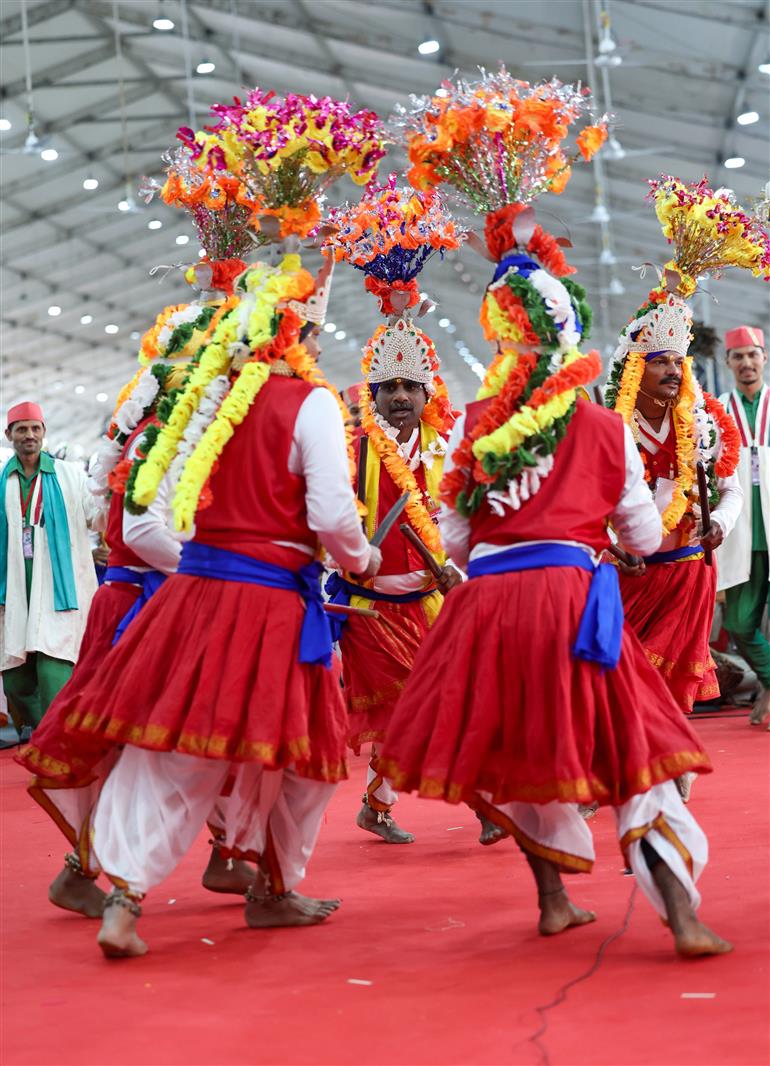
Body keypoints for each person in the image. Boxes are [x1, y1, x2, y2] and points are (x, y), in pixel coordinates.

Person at [53, 252, 381, 958]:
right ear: (299, 336)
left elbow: (154, 514)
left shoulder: (203, 400)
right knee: (298, 756)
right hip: (271, 609)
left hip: (193, 601)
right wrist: (363, 559)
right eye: (314, 337)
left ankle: (124, 900)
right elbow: (330, 513)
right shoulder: (311, 402)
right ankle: (272, 888)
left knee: (170, 753)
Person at [324, 180, 462, 843]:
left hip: (435, 598)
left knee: (454, 699)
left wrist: (452, 568)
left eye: (411, 386)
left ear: (427, 392)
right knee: (405, 712)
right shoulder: (352, 448)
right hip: (373, 607)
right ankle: (468, 805)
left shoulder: (444, 446)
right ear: (372, 394)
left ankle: (382, 803)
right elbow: (335, 516)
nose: (400, 396)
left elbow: (460, 516)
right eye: (389, 387)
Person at [1, 402, 100, 739]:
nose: (29, 435)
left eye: (35, 428)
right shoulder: (4, 478)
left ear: (44, 433)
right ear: (9, 434)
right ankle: (42, 729)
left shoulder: (70, 474)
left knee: (52, 668)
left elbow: (96, 514)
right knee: (15, 678)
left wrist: (115, 488)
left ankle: (57, 740)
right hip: (14, 588)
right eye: (22, 429)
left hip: (59, 589)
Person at [717, 326, 770, 728]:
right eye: (738, 357)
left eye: (753, 355)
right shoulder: (717, 412)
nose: (746, 363)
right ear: (728, 362)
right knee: (738, 623)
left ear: (764, 358)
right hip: (740, 535)